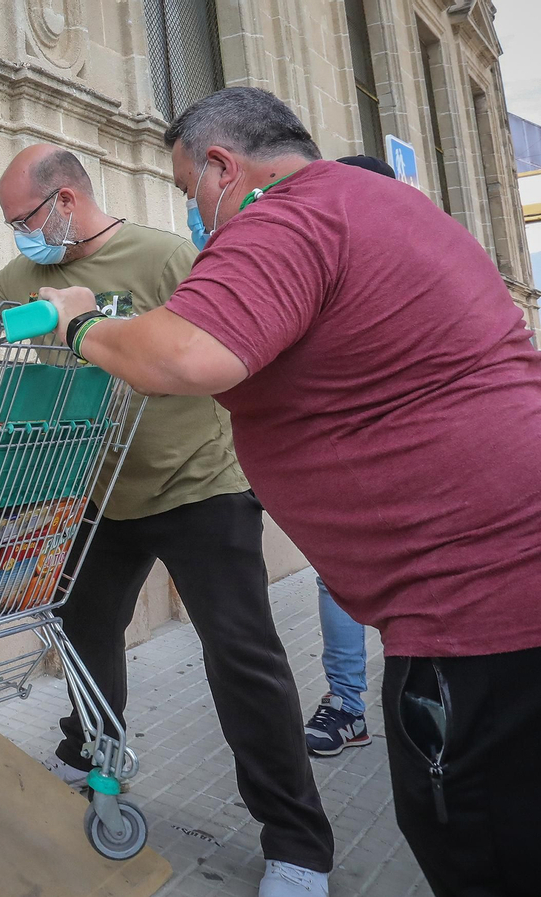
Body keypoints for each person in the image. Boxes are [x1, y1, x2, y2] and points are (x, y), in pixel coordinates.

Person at [39, 86, 541, 897]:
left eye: (186, 188)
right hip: (491, 589)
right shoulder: (379, 204)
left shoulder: (286, 216)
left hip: (478, 608)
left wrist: (77, 322)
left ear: (222, 166)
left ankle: (297, 851)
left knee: (478, 838)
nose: (195, 212)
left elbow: (184, 355)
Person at [0, 144, 334, 897]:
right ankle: (92, 757)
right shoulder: (30, 272)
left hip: (200, 490)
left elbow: (229, 344)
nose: (16, 236)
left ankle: (297, 845)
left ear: (64, 201)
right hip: (98, 494)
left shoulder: (163, 256)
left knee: (243, 662)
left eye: (22, 218)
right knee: (84, 637)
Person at [299, 154, 396, 758]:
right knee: (338, 581)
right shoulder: (325, 261)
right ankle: (348, 704)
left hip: (422, 457)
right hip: (350, 460)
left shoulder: (416, 262)